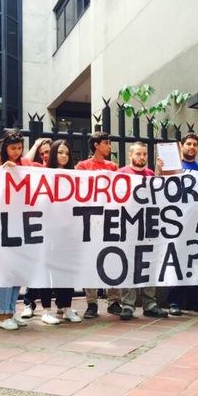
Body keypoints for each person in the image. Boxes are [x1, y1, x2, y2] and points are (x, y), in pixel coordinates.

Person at [0, 128, 41, 330]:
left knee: (17, 269)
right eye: (13, 148)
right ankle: (2, 315)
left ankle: (11, 312)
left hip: (21, 223)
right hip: (1, 223)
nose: (16, 152)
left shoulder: (25, 164)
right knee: (5, 269)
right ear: (5, 147)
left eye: (19, 148)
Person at [166, 133, 198, 316]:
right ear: (181, 145)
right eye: (188, 144)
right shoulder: (173, 165)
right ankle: (174, 301)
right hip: (177, 221)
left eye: (195, 144)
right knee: (177, 261)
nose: (192, 147)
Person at [118, 142, 169, 321]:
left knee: (149, 264)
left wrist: (158, 173)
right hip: (129, 226)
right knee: (130, 264)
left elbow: (158, 196)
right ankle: (128, 305)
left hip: (149, 225)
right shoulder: (121, 174)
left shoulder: (150, 174)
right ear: (130, 155)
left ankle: (150, 303)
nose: (142, 157)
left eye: (145, 154)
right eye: (138, 154)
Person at [75, 131, 122, 318]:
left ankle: (114, 301)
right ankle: (91, 303)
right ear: (96, 145)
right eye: (106, 143)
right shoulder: (82, 166)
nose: (109, 147)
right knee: (90, 260)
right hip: (90, 219)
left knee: (113, 258)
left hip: (110, 218)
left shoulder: (113, 167)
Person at [38, 139, 82, 325]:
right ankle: (46, 310)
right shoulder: (44, 175)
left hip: (69, 231)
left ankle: (66, 307)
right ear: (53, 154)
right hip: (48, 231)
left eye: (67, 153)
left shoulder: (74, 175)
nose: (64, 156)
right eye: (60, 152)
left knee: (67, 270)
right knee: (47, 269)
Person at [20, 137, 52, 318]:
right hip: (38, 223)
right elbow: (24, 163)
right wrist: (36, 145)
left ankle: (59, 305)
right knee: (37, 264)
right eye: (43, 153)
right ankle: (28, 303)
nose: (46, 156)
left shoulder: (62, 169)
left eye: (48, 151)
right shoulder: (37, 168)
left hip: (56, 225)